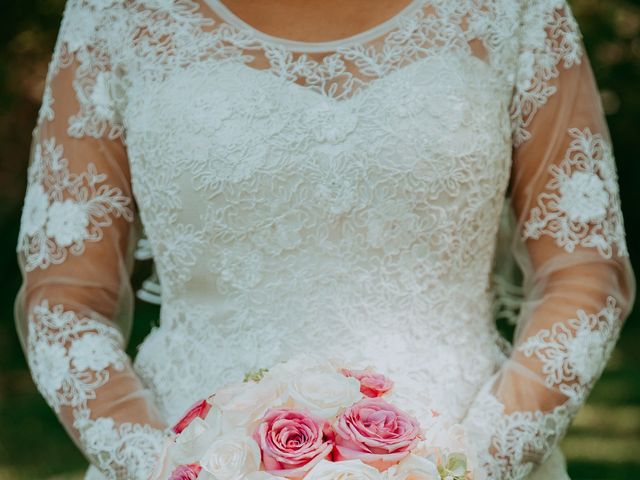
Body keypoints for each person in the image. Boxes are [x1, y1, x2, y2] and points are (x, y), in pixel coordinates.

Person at [13, 0, 635, 478]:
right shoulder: (116, 14)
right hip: (180, 448)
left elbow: (582, 273)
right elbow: (66, 299)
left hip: (473, 445)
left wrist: (474, 463)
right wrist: (168, 465)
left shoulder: (516, 10)